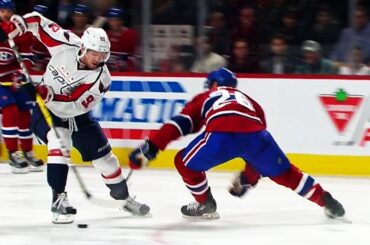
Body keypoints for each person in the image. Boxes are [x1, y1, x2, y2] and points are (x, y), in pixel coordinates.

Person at [129, 67, 346, 220]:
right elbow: (255, 148)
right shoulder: (251, 103)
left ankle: (205, 203)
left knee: (184, 163)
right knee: (287, 173)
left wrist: (154, 145)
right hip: (257, 135)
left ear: (213, 84)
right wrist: (246, 180)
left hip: (221, 134)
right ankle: (326, 200)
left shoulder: (208, 95)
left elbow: (182, 123)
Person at [0, 10, 150, 224]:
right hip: (47, 112)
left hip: (78, 115)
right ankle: (59, 200)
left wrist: (46, 93)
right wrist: (18, 25)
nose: (97, 58)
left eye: (102, 54)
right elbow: (40, 22)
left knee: (107, 161)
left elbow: (77, 103)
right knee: (59, 141)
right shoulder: (67, 44)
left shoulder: (102, 77)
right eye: (94, 53)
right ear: (82, 48)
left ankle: (123, 198)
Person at [0, 0, 43, 173]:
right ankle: (13, 153)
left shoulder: (19, 31)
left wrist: (20, 72)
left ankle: (27, 152)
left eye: (9, 10)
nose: (6, 13)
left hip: (16, 81)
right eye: (2, 10)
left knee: (25, 113)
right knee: (10, 111)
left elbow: (27, 58)